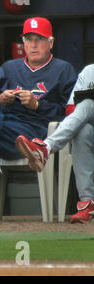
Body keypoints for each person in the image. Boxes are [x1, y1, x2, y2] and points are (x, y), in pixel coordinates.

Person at [0, 16, 77, 223]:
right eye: (29, 39)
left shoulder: (63, 70)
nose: (33, 44)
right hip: (3, 128)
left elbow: (71, 113)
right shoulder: (10, 68)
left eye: (39, 39)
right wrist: (1, 99)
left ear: (51, 42)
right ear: (23, 43)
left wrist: (38, 105)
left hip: (34, 135)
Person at [16, 64, 94, 224]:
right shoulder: (89, 71)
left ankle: (45, 149)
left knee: (87, 105)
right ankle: (88, 203)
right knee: (83, 129)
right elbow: (71, 110)